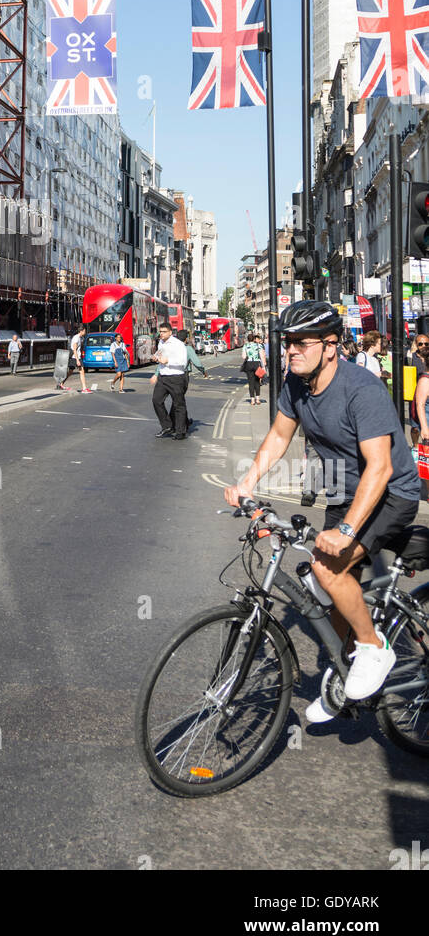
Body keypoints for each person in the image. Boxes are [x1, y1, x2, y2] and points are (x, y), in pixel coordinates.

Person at [224, 300, 420, 724]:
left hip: (390, 493)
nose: (291, 350)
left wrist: (347, 530)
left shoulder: (361, 389)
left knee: (330, 569)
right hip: (343, 492)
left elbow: (381, 467)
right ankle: (344, 672)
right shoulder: (296, 385)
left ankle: (374, 648)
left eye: (301, 343)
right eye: (287, 342)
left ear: (330, 346)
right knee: (326, 581)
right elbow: (278, 437)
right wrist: (247, 484)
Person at [151, 321, 188, 439]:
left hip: (176, 377)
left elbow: (183, 362)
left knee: (178, 405)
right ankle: (167, 426)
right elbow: (160, 355)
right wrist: (156, 357)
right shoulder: (160, 343)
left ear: (170, 332)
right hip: (163, 377)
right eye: (160, 331)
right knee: (156, 400)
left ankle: (180, 432)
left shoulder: (178, 344)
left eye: (164, 332)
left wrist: (168, 361)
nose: (161, 334)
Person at [177, 328, 207, 425]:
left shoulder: (172, 348)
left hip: (171, 375)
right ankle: (179, 423)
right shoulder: (188, 348)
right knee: (179, 400)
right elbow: (197, 362)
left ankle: (183, 420)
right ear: (186, 339)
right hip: (183, 375)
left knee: (177, 399)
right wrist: (203, 371)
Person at [241, 332, 265, 406]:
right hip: (256, 364)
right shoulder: (259, 345)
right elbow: (262, 356)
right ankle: (258, 399)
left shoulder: (245, 346)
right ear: (254, 339)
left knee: (251, 382)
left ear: (248, 339)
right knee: (257, 381)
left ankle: (252, 400)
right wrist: (263, 366)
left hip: (249, 364)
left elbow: (244, 357)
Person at [69, 324, 90, 393]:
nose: (85, 332)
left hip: (78, 357)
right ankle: (84, 389)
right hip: (75, 357)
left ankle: (61, 383)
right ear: (81, 331)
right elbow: (74, 349)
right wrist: (77, 360)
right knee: (79, 372)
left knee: (77, 372)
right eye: (84, 331)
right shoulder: (76, 338)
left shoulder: (81, 338)